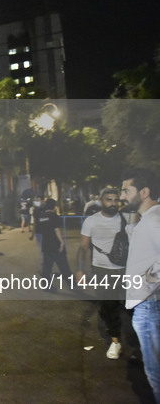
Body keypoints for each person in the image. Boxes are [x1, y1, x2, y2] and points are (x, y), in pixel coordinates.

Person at [120, 168, 160, 402]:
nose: (123, 196)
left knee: (155, 373)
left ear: (144, 192)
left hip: (150, 306)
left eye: (127, 190)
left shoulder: (154, 221)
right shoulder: (150, 218)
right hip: (150, 305)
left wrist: (147, 282)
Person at [78, 188, 126, 359]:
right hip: (103, 269)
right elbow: (83, 247)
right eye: (109, 200)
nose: (113, 203)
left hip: (127, 269)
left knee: (133, 306)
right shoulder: (91, 221)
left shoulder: (125, 219)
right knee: (108, 306)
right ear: (101, 200)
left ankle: (138, 343)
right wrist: (80, 270)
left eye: (115, 200)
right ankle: (115, 341)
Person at [38, 198, 73, 290]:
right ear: (54, 206)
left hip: (45, 244)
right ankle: (71, 283)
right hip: (55, 244)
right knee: (63, 265)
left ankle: (46, 285)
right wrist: (61, 242)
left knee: (47, 267)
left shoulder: (41, 216)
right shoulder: (54, 216)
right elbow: (57, 230)